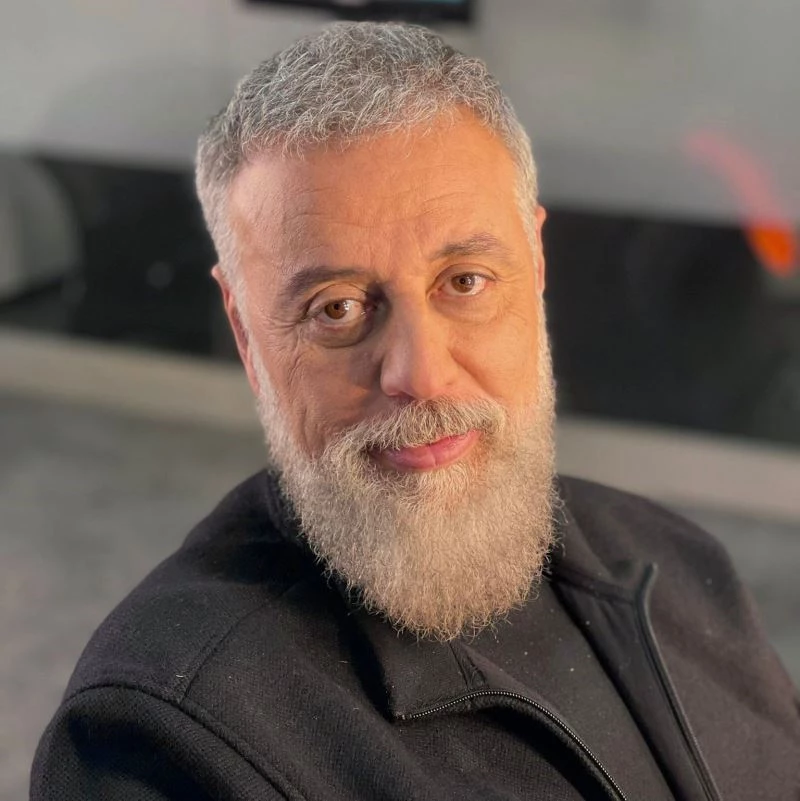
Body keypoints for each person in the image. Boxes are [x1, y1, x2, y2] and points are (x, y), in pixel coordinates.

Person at [31, 21, 800, 801]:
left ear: (535, 262)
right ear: (244, 329)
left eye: (464, 281)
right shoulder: (159, 742)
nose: (421, 375)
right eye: (336, 308)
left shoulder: (680, 562)